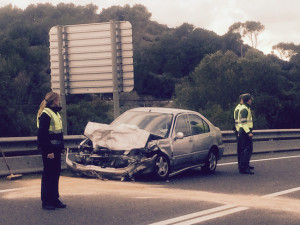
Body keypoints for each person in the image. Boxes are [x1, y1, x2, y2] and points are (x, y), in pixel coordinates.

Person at [37, 91, 67, 210]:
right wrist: (48, 151)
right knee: (48, 175)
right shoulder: (46, 114)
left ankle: (55, 199)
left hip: (56, 148)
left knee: (55, 174)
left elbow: (58, 133)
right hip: (49, 149)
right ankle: (46, 201)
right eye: (58, 99)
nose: (59, 101)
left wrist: (62, 147)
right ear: (54, 100)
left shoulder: (56, 113)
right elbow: (42, 135)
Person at [238, 93, 254, 174]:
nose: (251, 101)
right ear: (248, 100)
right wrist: (248, 132)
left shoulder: (246, 108)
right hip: (245, 131)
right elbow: (243, 122)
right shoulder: (244, 109)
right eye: (250, 99)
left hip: (244, 131)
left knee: (246, 150)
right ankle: (245, 168)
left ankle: (243, 167)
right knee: (247, 149)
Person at [233, 94, 244, 171]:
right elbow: (237, 121)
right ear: (241, 100)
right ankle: (240, 164)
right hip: (239, 130)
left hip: (241, 130)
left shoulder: (243, 107)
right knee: (240, 148)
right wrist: (239, 131)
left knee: (243, 148)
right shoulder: (238, 108)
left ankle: (244, 163)